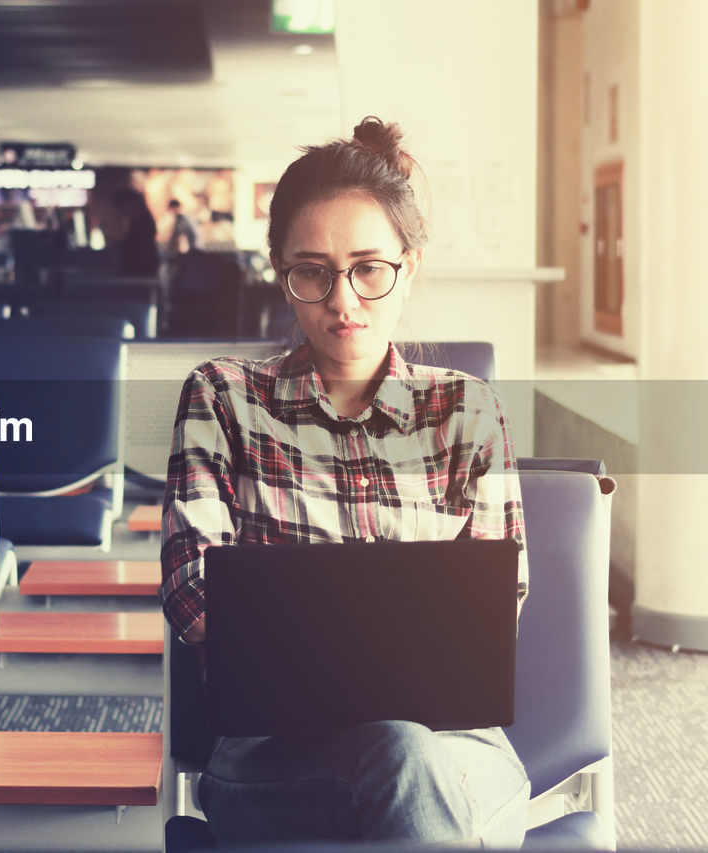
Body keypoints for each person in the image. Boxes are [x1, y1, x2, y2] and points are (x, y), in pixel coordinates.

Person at [160, 117, 530, 847]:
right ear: (281, 272)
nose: (343, 299)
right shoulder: (223, 397)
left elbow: (496, 604)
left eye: (369, 268)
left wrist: (310, 635)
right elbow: (191, 594)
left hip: (456, 747)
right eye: (313, 271)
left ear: (409, 266)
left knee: (407, 756)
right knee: (405, 768)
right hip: (271, 753)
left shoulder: (467, 408)